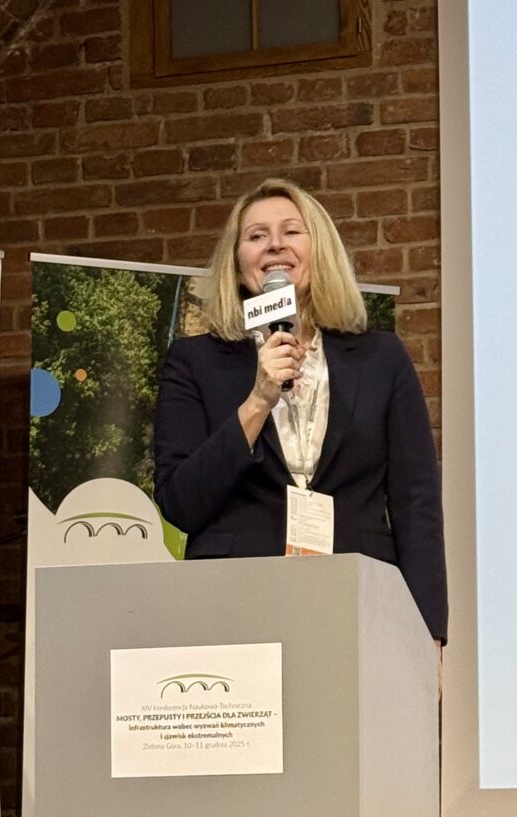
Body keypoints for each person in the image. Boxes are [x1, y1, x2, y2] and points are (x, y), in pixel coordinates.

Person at [153, 178, 447, 644]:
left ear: (319, 251)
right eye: (256, 236)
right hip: (233, 606)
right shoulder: (195, 362)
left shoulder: (381, 358)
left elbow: (417, 504)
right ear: (237, 263)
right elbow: (180, 503)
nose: (275, 245)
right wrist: (258, 401)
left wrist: (429, 634)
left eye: (291, 231)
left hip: (358, 604)